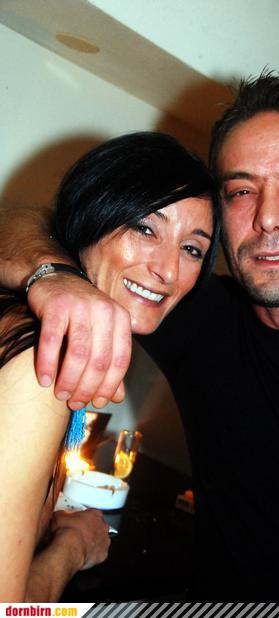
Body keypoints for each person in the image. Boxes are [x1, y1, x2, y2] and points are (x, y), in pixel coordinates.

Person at [1, 72, 279, 600]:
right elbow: (31, 223)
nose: (268, 218)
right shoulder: (189, 306)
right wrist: (53, 276)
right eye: (242, 191)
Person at [0, 131, 219, 601]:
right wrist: (73, 548)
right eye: (145, 228)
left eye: (192, 249)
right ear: (91, 215)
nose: (168, 270)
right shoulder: (38, 364)